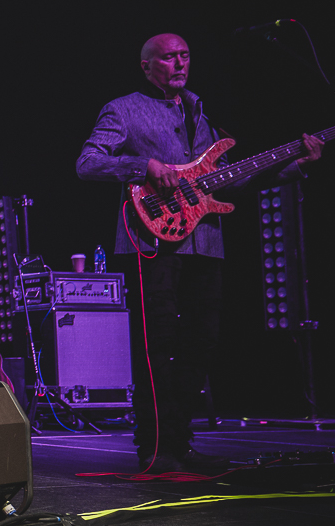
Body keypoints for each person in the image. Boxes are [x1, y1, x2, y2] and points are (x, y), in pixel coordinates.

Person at [77, 33, 321, 473]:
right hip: (150, 240)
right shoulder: (124, 108)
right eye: (168, 57)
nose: (179, 63)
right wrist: (143, 166)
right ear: (147, 66)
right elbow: (88, 162)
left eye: (184, 56)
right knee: (157, 345)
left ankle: (180, 439)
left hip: (205, 242)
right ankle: (154, 448)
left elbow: (234, 180)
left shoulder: (201, 115)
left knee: (202, 342)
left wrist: (296, 164)